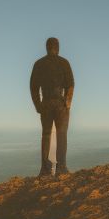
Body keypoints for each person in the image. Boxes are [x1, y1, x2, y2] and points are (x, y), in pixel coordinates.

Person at [30, 37, 75, 177]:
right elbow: (71, 84)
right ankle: (60, 167)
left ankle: (45, 168)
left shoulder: (39, 64)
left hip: (47, 103)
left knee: (46, 134)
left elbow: (33, 87)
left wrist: (38, 104)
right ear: (58, 47)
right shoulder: (63, 62)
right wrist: (67, 102)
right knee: (61, 134)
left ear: (47, 47)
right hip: (59, 103)